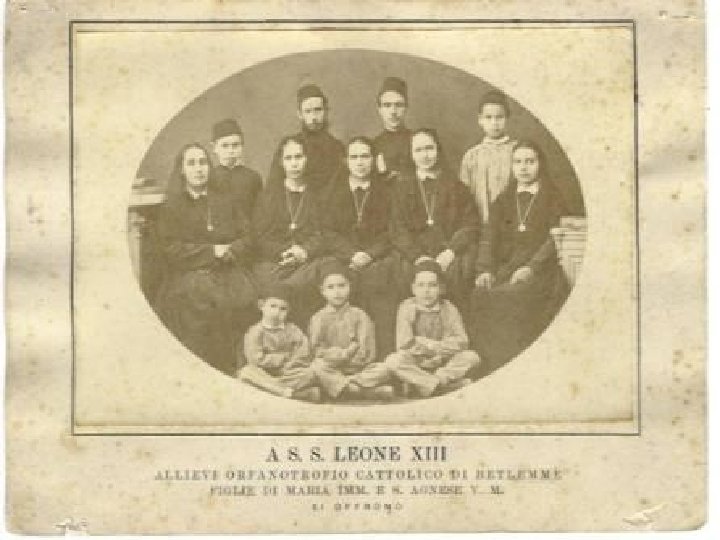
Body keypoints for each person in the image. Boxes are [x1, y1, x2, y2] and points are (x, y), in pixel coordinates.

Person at [154, 143, 257, 376]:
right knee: (205, 302)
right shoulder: (172, 206)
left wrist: (232, 250)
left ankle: (241, 366)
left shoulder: (225, 200)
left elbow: (248, 235)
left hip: (227, 268)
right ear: (182, 170)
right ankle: (211, 369)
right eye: (191, 163)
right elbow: (170, 249)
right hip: (189, 273)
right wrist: (211, 252)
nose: (199, 168)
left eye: (203, 162)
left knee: (246, 297)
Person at [472, 140, 570, 374]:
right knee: (479, 293)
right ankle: (490, 364)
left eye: (530, 161)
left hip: (542, 269)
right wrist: (485, 269)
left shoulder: (553, 197)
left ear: (540, 164)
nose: (523, 168)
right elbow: (489, 237)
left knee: (511, 296)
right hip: (507, 266)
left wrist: (531, 267)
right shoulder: (502, 200)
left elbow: (554, 240)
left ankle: (517, 364)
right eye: (517, 162)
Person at [320, 136, 400, 357]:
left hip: (377, 256)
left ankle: (381, 355)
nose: (360, 162)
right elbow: (327, 231)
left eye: (365, 156)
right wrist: (351, 254)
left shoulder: (387, 192)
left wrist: (369, 254)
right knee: (337, 284)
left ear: (373, 160)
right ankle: (344, 357)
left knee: (381, 286)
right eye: (354, 157)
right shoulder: (331, 192)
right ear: (346, 161)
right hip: (342, 256)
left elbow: (393, 229)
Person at [361, 261, 480, 398]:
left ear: (441, 288)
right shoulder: (406, 307)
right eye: (421, 285)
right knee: (393, 360)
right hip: (417, 362)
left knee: (471, 357)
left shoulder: (449, 308)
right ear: (413, 289)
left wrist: (432, 346)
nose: (426, 291)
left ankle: (428, 383)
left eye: (432, 285)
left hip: (443, 362)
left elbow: (462, 341)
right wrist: (429, 348)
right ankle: (439, 386)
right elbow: (404, 344)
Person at [391, 128, 480, 305]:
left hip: (448, 251)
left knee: (460, 271)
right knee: (404, 274)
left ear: (438, 150)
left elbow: (470, 224)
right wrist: (417, 256)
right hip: (414, 253)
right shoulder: (400, 188)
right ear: (411, 154)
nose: (425, 155)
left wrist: (450, 252)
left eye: (429, 148)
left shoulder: (456, 186)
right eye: (418, 150)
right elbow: (397, 228)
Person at [253, 135, 333, 327]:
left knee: (322, 272)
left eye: (298, 157)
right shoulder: (268, 196)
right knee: (271, 284)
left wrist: (304, 251)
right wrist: (286, 252)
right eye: (288, 158)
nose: (294, 163)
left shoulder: (318, 195)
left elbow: (323, 233)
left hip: (308, 261)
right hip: (275, 261)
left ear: (307, 159)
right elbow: (260, 236)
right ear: (281, 162)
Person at [307, 264, 394, 401]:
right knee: (317, 366)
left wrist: (352, 363)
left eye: (342, 286)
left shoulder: (360, 315)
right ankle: (364, 391)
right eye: (330, 287)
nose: (337, 292)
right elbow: (316, 350)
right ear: (322, 291)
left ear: (350, 287)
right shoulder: (318, 318)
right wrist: (340, 356)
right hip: (331, 367)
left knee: (385, 369)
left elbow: (367, 351)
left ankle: (344, 386)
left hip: (358, 370)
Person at [238, 285, 322, 402]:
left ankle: (275, 389)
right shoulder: (255, 332)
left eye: (283, 309)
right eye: (273, 306)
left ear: (288, 311)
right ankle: (293, 393)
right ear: (261, 306)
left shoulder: (293, 329)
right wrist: (282, 358)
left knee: (311, 373)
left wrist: (291, 365)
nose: (277, 312)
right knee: (246, 372)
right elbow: (255, 359)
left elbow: (303, 350)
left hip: (289, 372)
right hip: (265, 372)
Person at [268, 84, 344, 189]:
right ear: (300, 114)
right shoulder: (289, 146)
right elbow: (273, 186)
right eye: (308, 111)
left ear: (326, 111)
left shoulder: (337, 147)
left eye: (318, 110)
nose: (313, 117)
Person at [460, 90, 517, 225]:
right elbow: (464, 194)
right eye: (488, 117)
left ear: (507, 118)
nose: (494, 123)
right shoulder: (472, 155)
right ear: (480, 120)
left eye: (499, 117)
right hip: (480, 221)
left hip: (511, 222)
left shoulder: (517, 151)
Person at [210, 118, 263, 218]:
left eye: (235, 145)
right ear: (214, 147)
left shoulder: (253, 178)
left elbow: (260, 212)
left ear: (242, 146)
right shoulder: (210, 177)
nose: (231, 151)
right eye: (225, 146)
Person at [373, 76, 413, 181]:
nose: (393, 111)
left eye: (399, 105)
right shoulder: (374, 146)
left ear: (406, 107)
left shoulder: (419, 141)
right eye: (387, 105)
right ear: (379, 109)